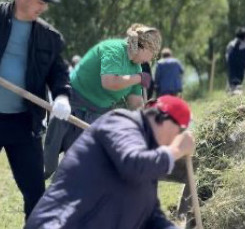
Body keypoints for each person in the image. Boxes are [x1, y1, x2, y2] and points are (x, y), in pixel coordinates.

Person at [26, 95, 210, 229]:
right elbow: (133, 165)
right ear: (163, 119)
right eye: (179, 131)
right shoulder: (121, 123)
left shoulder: (147, 156)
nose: (176, 138)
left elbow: (150, 217)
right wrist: (176, 150)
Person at [0, 0, 71, 229]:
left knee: (34, 189)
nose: (43, 8)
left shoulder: (49, 37)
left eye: (45, 4)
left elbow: (59, 72)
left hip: (23, 122)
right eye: (40, 1)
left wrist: (62, 95)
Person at [43, 24, 161, 179]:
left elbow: (134, 102)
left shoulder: (136, 69)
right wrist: (138, 79)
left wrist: (144, 118)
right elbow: (109, 82)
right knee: (49, 160)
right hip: (72, 101)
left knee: (78, 162)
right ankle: (43, 171)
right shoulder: (114, 49)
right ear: (143, 47)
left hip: (97, 113)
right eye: (152, 54)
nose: (151, 59)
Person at [225, 27, 245, 92]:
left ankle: (230, 88)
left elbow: (227, 60)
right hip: (242, 81)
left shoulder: (229, 45)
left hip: (231, 81)